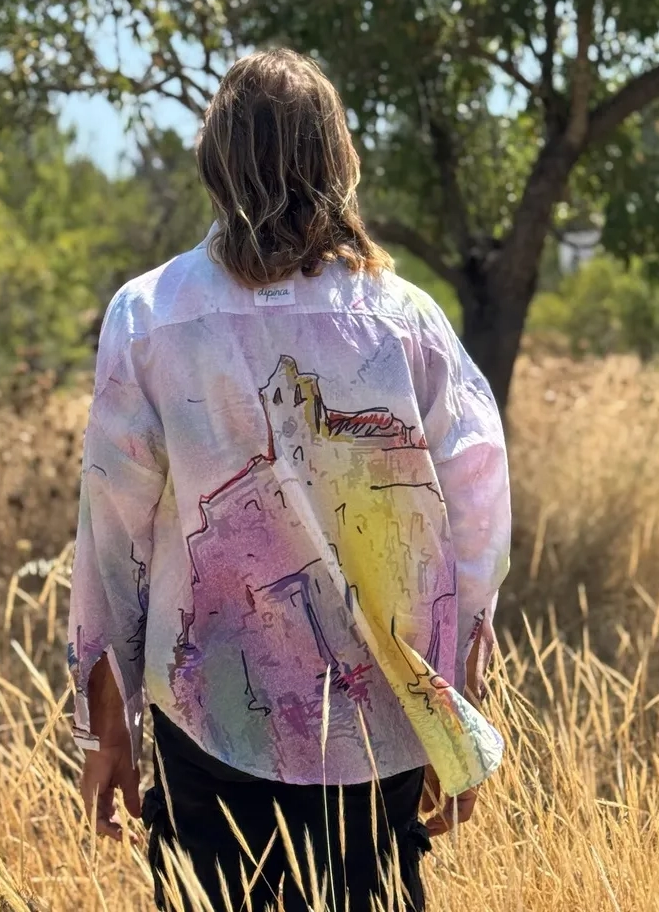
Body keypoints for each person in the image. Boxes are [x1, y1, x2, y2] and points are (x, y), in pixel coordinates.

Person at [67, 49, 511, 911]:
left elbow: (112, 533)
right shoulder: (408, 321)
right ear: (338, 159)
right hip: (381, 720)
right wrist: (448, 710)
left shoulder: (150, 315)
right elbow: (476, 524)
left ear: (215, 162)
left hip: (207, 715)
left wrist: (106, 726)